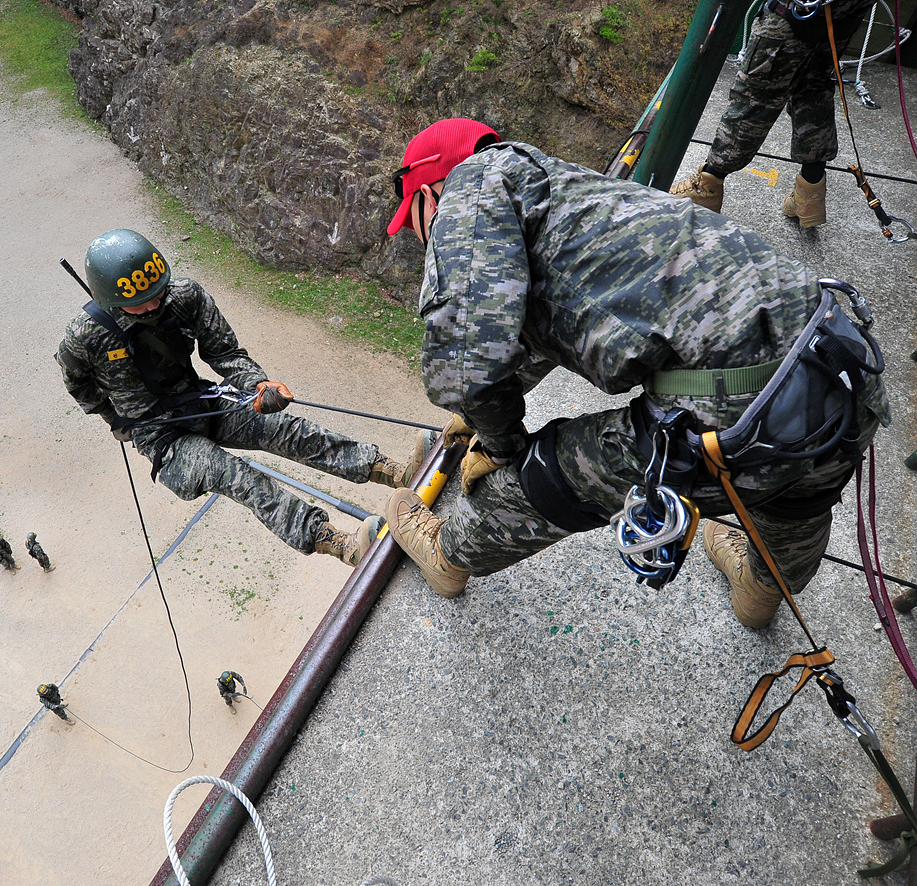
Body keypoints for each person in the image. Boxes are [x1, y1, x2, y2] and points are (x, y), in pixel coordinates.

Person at [381, 119, 888, 628]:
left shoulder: (469, 186)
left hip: (743, 408)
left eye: (415, 220)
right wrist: (480, 413)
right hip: (838, 355)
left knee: (550, 472)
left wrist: (499, 441)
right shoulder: (564, 193)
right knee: (805, 491)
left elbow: (465, 359)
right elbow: (534, 328)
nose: (422, 237)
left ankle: (448, 556)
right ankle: (760, 590)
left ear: (429, 191)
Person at [57, 229, 424, 566]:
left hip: (201, 402)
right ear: (110, 299)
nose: (153, 306)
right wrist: (120, 421)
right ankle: (338, 542)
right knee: (240, 477)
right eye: (141, 302)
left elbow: (225, 353)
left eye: (157, 295)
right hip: (162, 438)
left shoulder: (185, 297)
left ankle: (391, 471)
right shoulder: (84, 338)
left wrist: (258, 386)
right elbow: (78, 385)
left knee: (283, 427)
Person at [669, 0, 874, 227]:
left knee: (755, 97)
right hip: (845, 12)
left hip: (795, 12)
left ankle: (707, 185)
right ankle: (810, 193)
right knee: (812, 88)